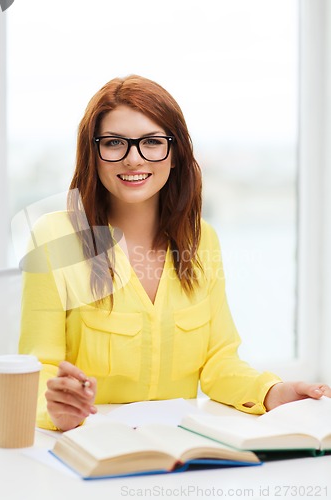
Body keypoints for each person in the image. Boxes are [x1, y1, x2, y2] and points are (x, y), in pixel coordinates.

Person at [19, 75, 331, 431]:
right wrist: (57, 409)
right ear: (93, 154)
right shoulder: (54, 238)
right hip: (90, 446)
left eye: (152, 142)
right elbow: (38, 368)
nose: (133, 159)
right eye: (114, 143)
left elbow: (218, 362)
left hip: (179, 451)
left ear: (176, 154)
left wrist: (273, 392)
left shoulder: (202, 241)